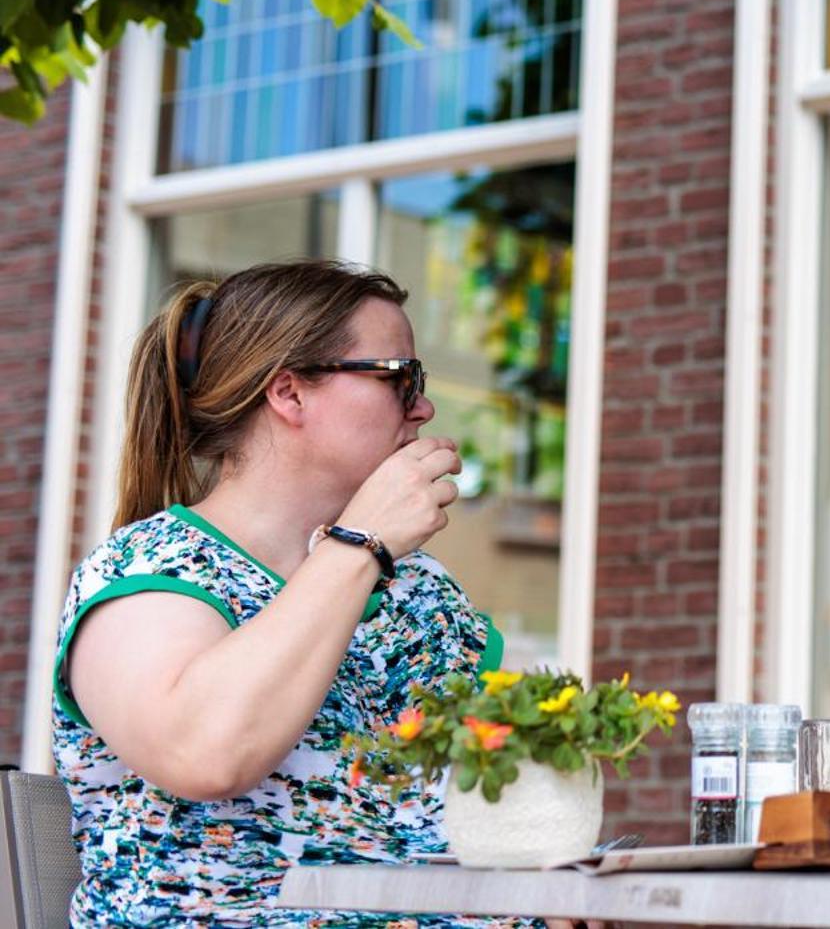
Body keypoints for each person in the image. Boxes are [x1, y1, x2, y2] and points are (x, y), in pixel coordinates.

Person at [54, 260, 539, 927]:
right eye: (402, 378)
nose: (423, 407)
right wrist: (360, 542)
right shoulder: (147, 571)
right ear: (289, 393)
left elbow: (513, 804)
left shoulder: (420, 591)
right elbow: (206, 752)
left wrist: (565, 888)